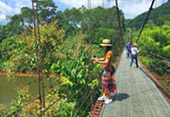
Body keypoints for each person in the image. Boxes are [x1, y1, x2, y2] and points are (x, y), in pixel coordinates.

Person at [93, 39, 117, 104]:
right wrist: (97, 59)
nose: (103, 47)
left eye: (104, 45)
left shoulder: (109, 53)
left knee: (107, 84)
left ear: (106, 46)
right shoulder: (107, 52)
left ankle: (109, 98)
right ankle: (104, 96)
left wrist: (98, 61)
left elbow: (106, 61)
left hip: (107, 70)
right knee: (103, 83)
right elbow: (104, 58)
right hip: (105, 70)